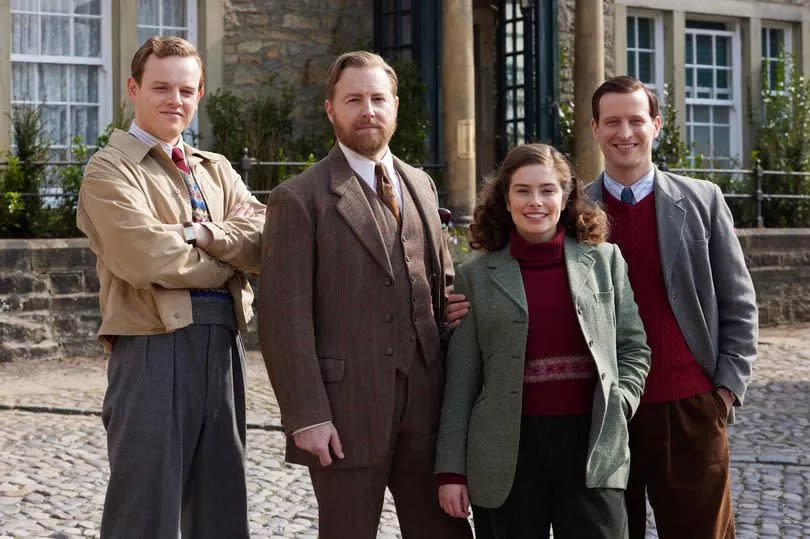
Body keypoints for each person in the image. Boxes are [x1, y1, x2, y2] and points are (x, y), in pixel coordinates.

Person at [258, 51, 472, 539]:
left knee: (446, 533)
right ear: (331, 108)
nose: (368, 110)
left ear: (395, 106)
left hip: (428, 405)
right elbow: (283, 319)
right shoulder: (300, 197)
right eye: (353, 99)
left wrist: (453, 312)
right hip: (345, 412)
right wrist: (307, 416)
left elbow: (440, 281)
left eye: (378, 98)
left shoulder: (420, 184)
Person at [76, 36, 264, 538]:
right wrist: (230, 260)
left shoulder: (217, 169)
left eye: (185, 89)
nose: (173, 100)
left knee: (222, 507)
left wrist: (201, 235)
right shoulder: (108, 170)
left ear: (200, 93)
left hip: (224, 344)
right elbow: (146, 258)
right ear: (133, 89)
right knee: (145, 508)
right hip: (150, 347)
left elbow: (266, 240)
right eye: (160, 87)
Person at [434, 143, 651, 538]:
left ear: (566, 195)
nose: (536, 202)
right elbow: (461, 380)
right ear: (505, 197)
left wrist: (620, 401)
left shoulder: (605, 260)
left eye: (547, 190)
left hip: (592, 445)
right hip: (506, 453)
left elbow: (634, 347)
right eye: (523, 190)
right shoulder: (476, 277)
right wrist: (450, 469)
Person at [587, 76, 758, 538]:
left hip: (691, 403)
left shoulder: (703, 201)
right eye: (613, 121)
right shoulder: (572, 210)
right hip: (605, 412)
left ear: (656, 125)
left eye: (636, 120)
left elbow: (738, 300)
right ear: (595, 129)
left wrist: (725, 388)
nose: (626, 132)